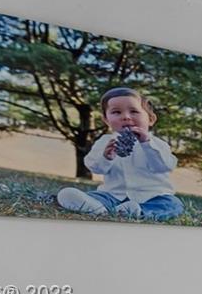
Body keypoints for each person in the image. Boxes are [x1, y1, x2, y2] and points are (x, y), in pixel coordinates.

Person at [56, 88, 184, 220]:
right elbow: (94, 167)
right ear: (106, 120)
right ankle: (98, 208)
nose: (126, 117)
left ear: (151, 119)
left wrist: (146, 144)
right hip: (112, 195)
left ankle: (138, 211)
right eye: (116, 112)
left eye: (134, 111)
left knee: (173, 204)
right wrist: (106, 158)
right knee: (69, 193)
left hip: (152, 196)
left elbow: (164, 166)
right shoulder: (105, 142)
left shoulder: (157, 144)